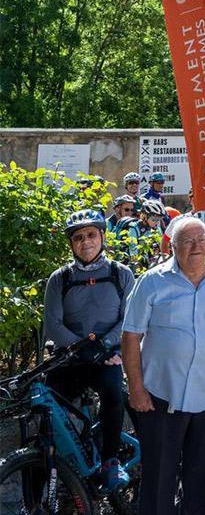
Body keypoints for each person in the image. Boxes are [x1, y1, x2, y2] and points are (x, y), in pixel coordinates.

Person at [121, 217, 205, 515]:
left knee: (199, 480)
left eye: (202, 240)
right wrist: (136, 388)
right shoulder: (152, 281)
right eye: (187, 241)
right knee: (160, 479)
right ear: (172, 247)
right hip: (160, 396)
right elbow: (130, 335)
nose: (197, 247)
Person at [44, 210, 134, 492]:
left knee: (113, 392)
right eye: (78, 237)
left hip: (108, 357)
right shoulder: (60, 278)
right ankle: (44, 479)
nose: (86, 242)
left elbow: (129, 319)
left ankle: (110, 460)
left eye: (92, 235)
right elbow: (53, 324)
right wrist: (80, 349)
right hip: (70, 358)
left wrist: (104, 346)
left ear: (102, 237)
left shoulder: (121, 274)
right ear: (71, 244)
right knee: (48, 411)